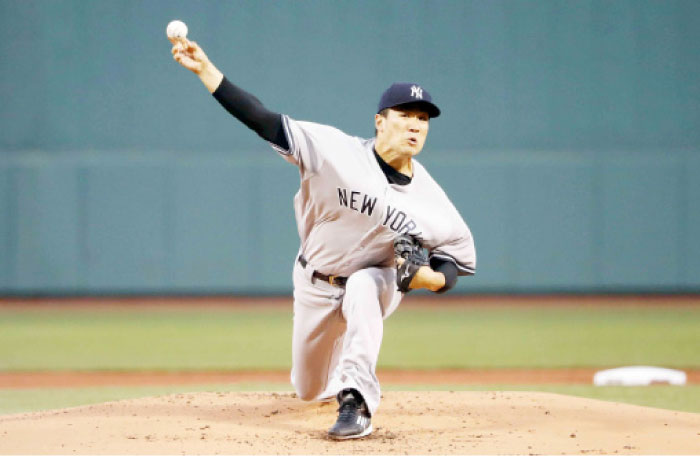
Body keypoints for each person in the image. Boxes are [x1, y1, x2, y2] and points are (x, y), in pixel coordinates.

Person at [169, 36, 476, 440]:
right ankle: (335, 382)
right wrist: (207, 71)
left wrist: (429, 279)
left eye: (423, 118)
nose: (415, 124)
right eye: (405, 114)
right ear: (380, 120)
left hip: (375, 282)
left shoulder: (432, 202)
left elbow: (452, 260)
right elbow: (262, 119)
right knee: (308, 389)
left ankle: (358, 400)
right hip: (314, 281)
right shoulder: (334, 151)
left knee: (365, 283)